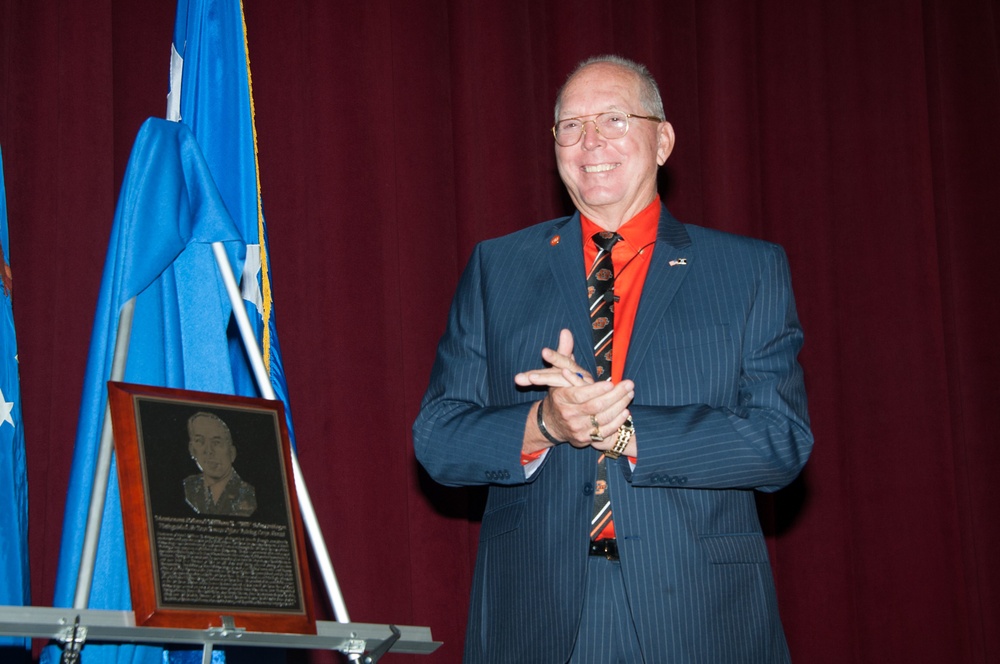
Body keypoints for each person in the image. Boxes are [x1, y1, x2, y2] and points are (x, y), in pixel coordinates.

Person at [413, 55, 812, 663]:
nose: (590, 142)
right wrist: (544, 424)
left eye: (615, 119)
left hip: (698, 613)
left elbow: (780, 443)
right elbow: (438, 440)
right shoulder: (499, 268)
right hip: (536, 617)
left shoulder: (748, 270)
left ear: (663, 141)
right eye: (570, 126)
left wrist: (622, 430)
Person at [183, 411, 257, 517]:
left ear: (232, 452)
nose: (208, 450)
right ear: (191, 449)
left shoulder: (247, 494)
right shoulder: (188, 487)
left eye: (216, 442)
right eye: (200, 441)